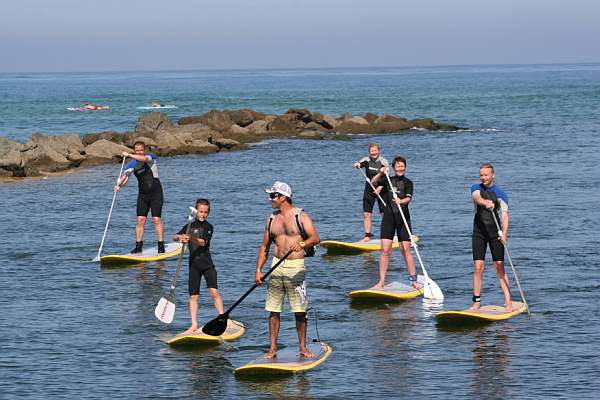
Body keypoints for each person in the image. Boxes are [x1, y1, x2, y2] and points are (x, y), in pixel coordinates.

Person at [255, 181, 320, 359]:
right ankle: (272, 349)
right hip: (276, 266)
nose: (270, 199)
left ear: (283, 197)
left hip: (296, 267)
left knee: (299, 310)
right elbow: (264, 247)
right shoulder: (271, 219)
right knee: (273, 310)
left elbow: (315, 237)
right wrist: (258, 270)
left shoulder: (301, 215)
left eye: (273, 196)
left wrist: (302, 244)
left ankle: (303, 348)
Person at [173, 198, 225, 334]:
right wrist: (180, 238)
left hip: (208, 265)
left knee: (214, 292)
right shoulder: (190, 225)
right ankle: (194, 324)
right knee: (193, 296)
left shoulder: (209, 227)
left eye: (205, 212)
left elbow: (202, 243)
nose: (203, 214)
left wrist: (191, 238)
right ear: (196, 212)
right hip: (193, 266)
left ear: (208, 213)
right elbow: (174, 236)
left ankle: (222, 318)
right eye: (201, 211)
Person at [371, 156, 420, 289]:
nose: (400, 168)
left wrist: (401, 201)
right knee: (385, 251)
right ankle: (381, 281)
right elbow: (373, 182)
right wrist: (381, 173)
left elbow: (408, 199)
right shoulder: (387, 179)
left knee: (406, 250)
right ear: (393, 168)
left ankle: (413, 280)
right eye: (398, 166)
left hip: (403, 219)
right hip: (388, 219)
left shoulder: (408, 182)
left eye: (402, 166)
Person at [470, 163, 512, 311]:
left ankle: (508, 300)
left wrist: (504, 234)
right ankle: (476, 302)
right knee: (478, 267)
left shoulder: (501, 194)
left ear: (493, 175)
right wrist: (485, 202)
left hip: (496, 234)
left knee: (499, 266)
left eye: (486, 175)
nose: (483, 178)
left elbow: (505, 216)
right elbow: (476, 198)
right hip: (479, 232)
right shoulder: (476, 188)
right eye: (481, 175)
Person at [114, 141, 165, 253]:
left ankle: (161, 246)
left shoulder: (150, 157)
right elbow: (125, 177)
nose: (140, 152)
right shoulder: (132, 164)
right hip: (143, 195)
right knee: (140, 220)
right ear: (135, 151)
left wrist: (130, 155)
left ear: (144, 150)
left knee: (156, 219)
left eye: (141, 150)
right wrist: (118, 186)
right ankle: (138, 247)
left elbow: (145, 160)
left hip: (156, 193)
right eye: (137, 150)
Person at [354, 143, 389, 242]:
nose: (373, 153)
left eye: (375, 150)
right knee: (367, 214)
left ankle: (386, 234)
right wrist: (357, 165)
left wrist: (380, 188)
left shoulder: (383, 161)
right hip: (369, 189)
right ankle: (367, 236)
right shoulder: (367, 160)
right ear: (369, 152)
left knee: (383, 214)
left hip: (382, 189)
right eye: (371, 151)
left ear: (378, 151)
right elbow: (359, 164)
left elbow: (387, 178)